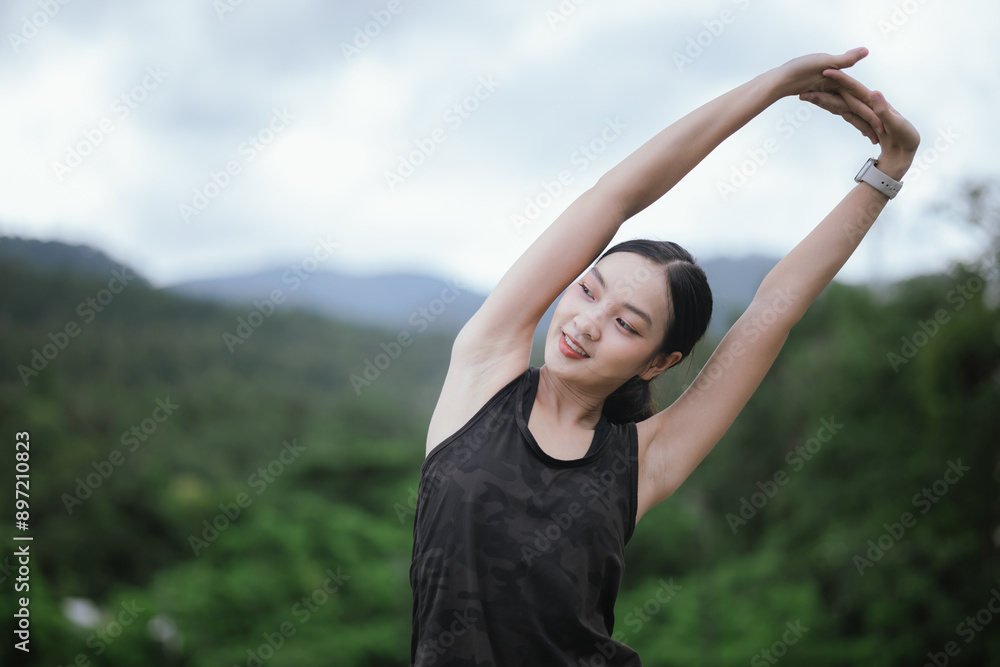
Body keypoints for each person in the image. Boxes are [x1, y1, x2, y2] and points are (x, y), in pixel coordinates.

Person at [409, 47, 919, 666]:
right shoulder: (482, 375)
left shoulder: (641, 462)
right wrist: (776, 84)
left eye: (626, 324)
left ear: (658, 363)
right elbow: (615, 197)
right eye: (588, 290)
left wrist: (890, 167)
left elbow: (773, 312)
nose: (587, 324)